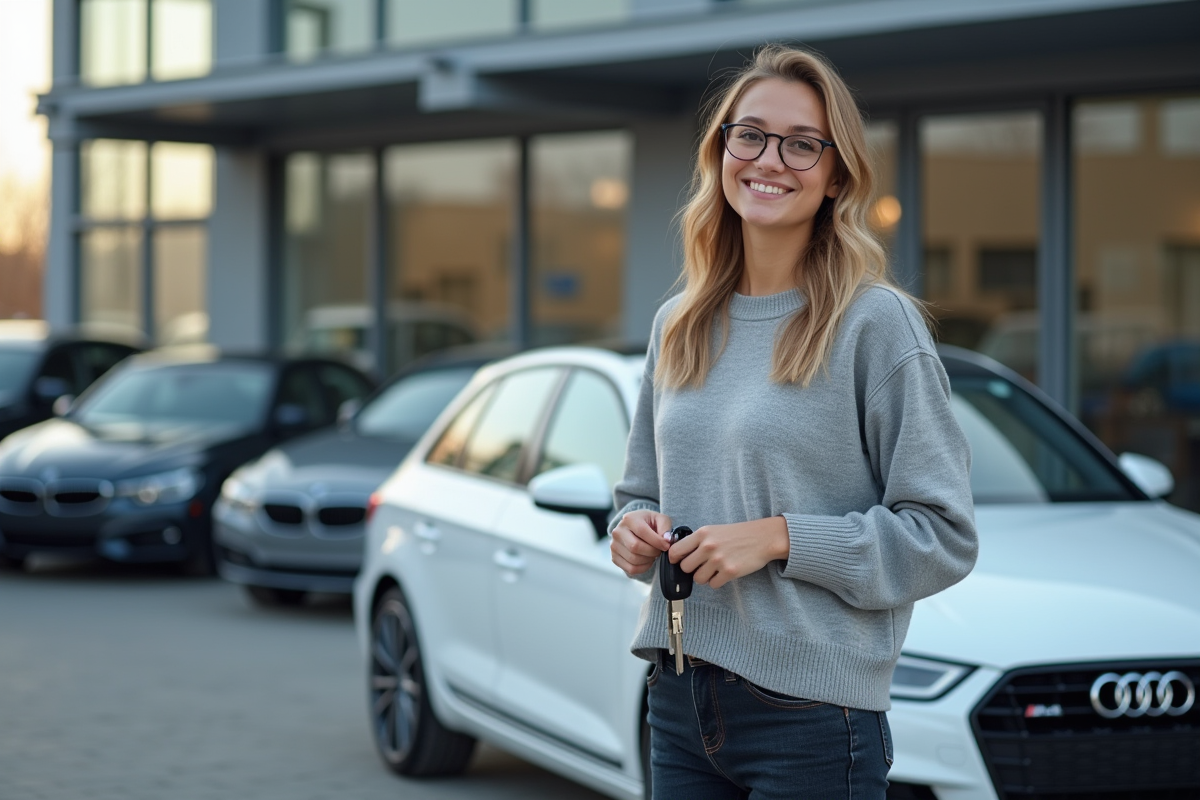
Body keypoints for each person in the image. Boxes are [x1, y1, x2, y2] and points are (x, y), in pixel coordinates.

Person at [608, 45, 978, 799]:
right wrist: (633, 531)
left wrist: (780, 537)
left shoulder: (877, 325)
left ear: (836, 174)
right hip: (679, 698)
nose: (769, 159)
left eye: (801, 143)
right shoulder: (677, 322)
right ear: (721, 151)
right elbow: (638, 494)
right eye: (750, 135)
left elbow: (941, 537)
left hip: (812, 719)